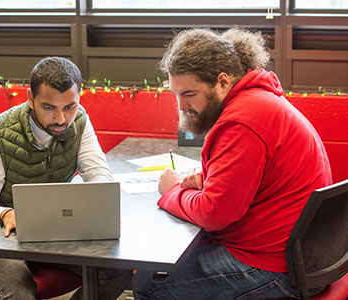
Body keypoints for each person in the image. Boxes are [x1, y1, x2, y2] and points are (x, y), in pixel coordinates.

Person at [132, 28, 333, 299]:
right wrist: (210, 176)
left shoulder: (243, 120)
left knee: (149, 283)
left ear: (222, 81)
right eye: (175, 94)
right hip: (300, 256)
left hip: (277, 268)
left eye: (189, 93)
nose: (181, 105)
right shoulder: (258, 101)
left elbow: (215, 214)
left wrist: (171, 192)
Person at [0, 57, 132, 300]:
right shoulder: (0, 134)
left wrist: (101, 205)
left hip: (43, 226)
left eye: (69, 107)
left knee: (116, 270)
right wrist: (5, 215)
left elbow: (98, 173)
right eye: (49, 107)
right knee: (18, 288)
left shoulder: (78, 121)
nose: (61, 119)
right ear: (30, 99)